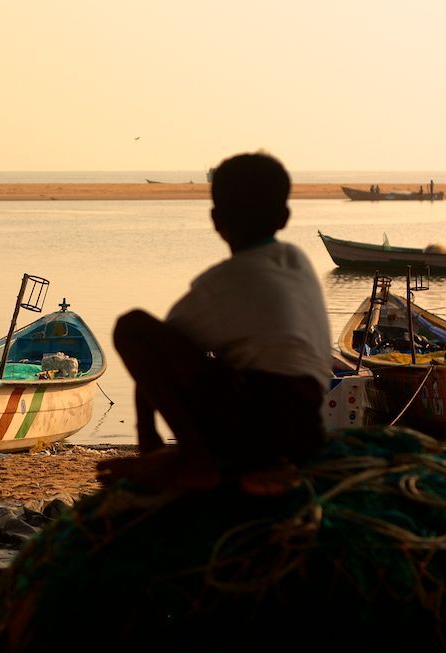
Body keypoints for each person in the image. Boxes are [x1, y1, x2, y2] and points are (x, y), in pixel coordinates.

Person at [97, 152, 332, 492]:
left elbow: (155, 349)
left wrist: (147, 438)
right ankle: (194, 459)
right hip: (308, 431)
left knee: (132, 326)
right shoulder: (297, 261)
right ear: (284, 217)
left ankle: (195, 458)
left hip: (258, 424)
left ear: (216, 219)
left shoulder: (224, 281)